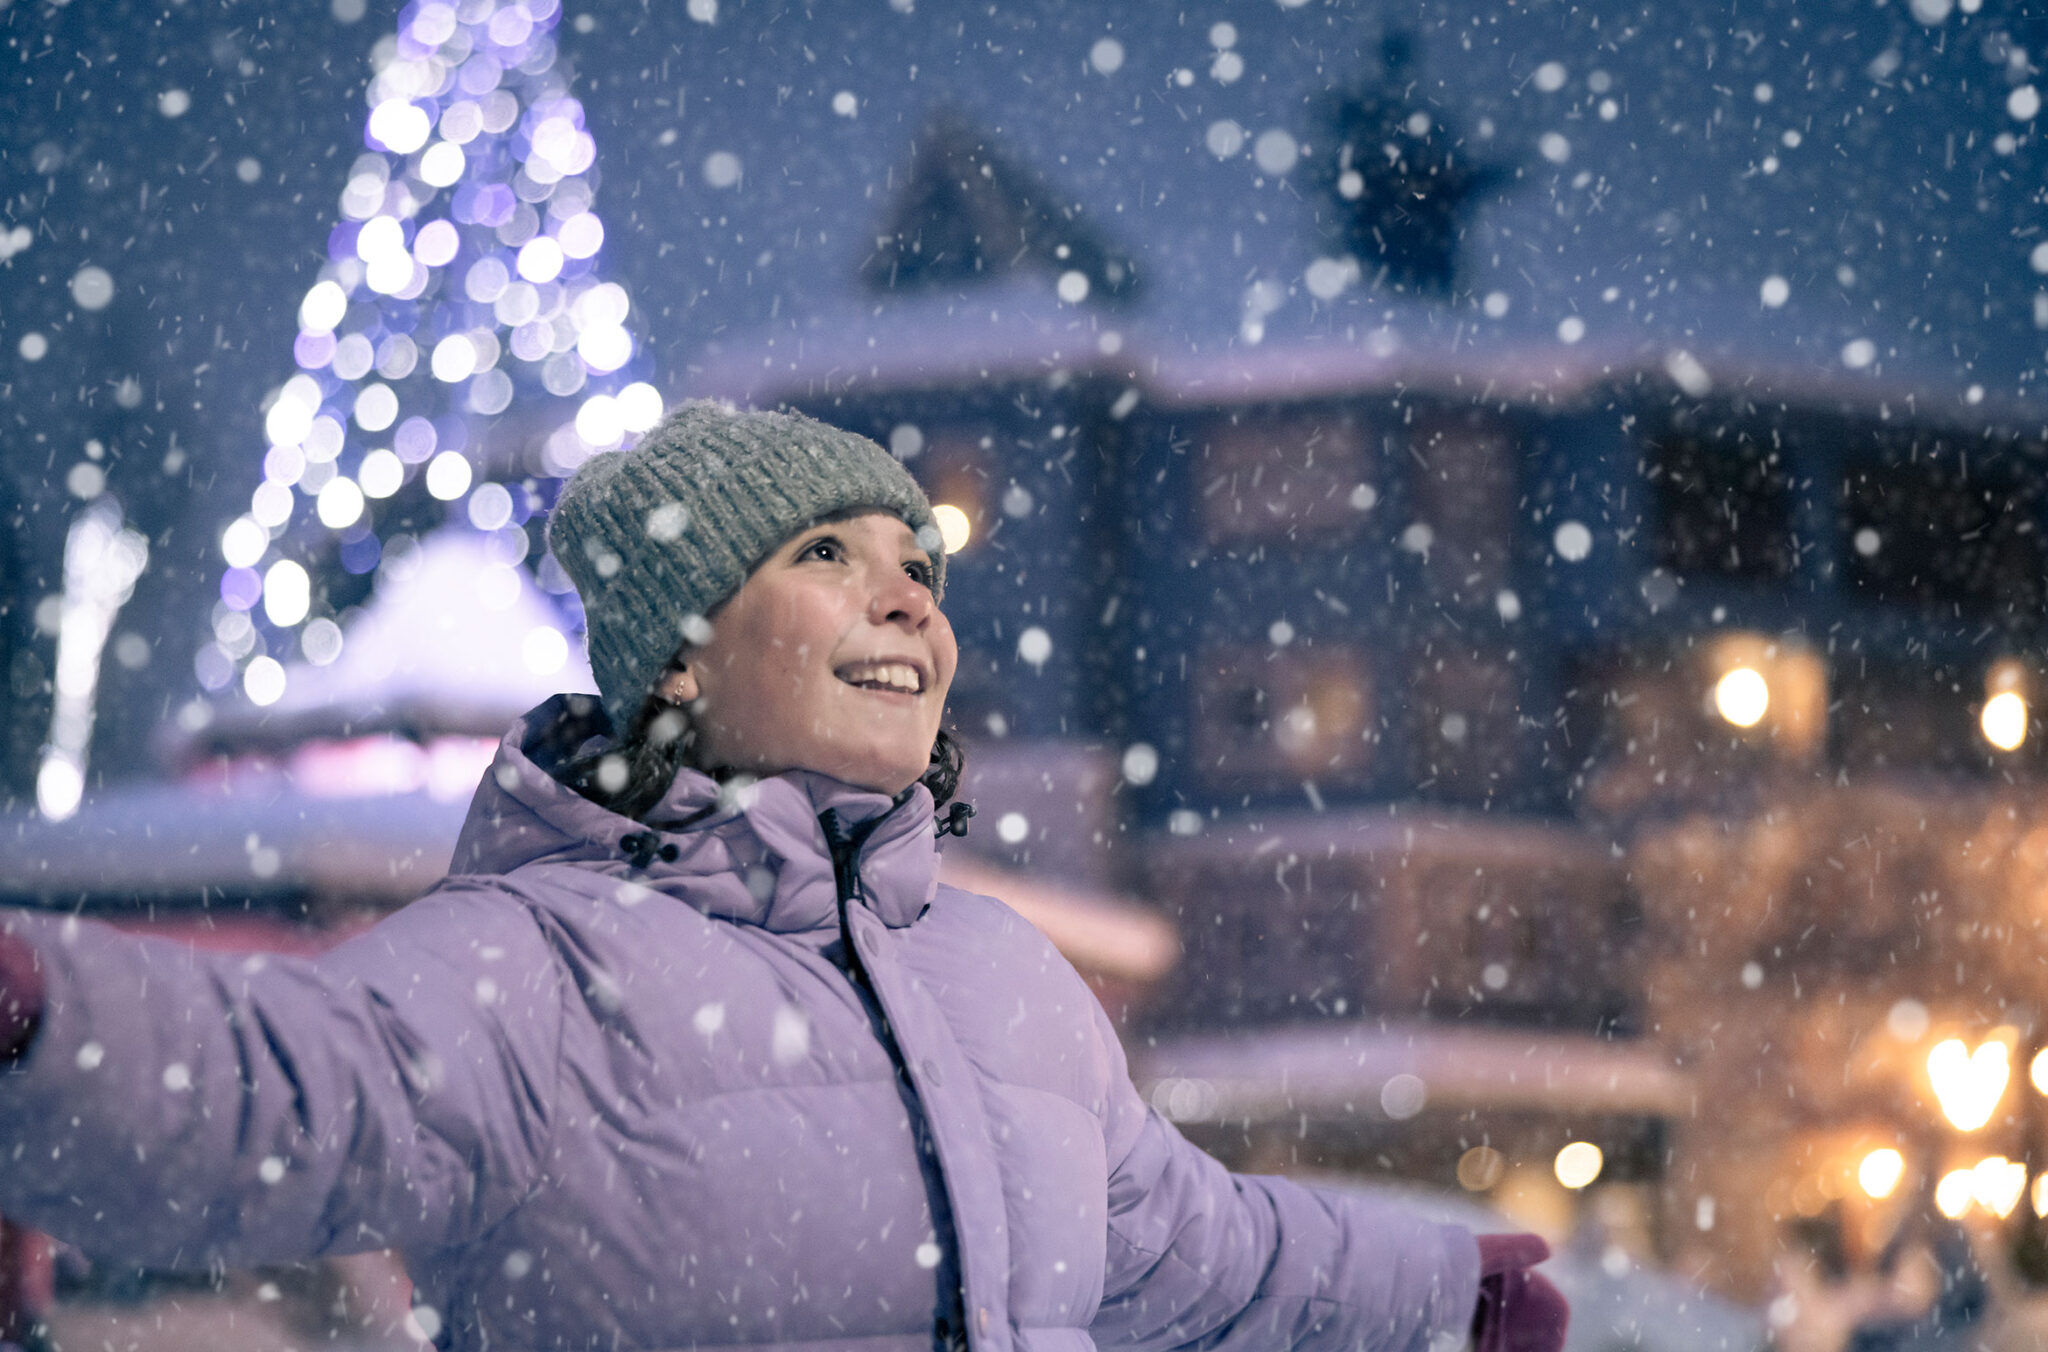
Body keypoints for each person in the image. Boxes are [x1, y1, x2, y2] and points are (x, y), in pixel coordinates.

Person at [0, 402, 1567, 1352]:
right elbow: (277, 1092)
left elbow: (1186, 1251)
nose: (905, 601)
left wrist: (1435, 1295)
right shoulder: (539, 965)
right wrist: (36, 1022)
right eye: (827, 558)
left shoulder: (1003, 976)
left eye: (919, 569)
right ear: (679, 658)